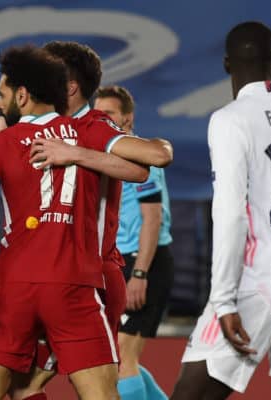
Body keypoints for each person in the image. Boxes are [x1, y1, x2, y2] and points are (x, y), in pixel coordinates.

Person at [0, 40, 173, 400]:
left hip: (93, 272)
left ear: (66, 85)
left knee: (72, 381)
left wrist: (74, 154)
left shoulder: (92, 126)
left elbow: (147, 164)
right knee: (29, 384)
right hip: (63, 274)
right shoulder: (41, 130)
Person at [0, 44, 153, 400]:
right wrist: (85, 156)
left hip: (15, 283)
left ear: (23, 94)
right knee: (99, 392)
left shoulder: (1, 141)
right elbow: (141, 168)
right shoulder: (86, 130)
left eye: (2, 95)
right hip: (73, 281)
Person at [171, 21, 271, 399]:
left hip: (261, 279)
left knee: (191, 394)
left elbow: (230, 213)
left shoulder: (230, 119)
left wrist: (223, 299)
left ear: (226, 64)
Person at [92, 85, 173, 400]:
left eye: (109, 113)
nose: (102, 118)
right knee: (118, 361)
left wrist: (140, 275)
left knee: (124, 360)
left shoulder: (141, 154)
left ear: (127, 118)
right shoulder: (109, 154)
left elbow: (152, 218)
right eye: (98, 113)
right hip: (119, 264)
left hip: (145, 264)